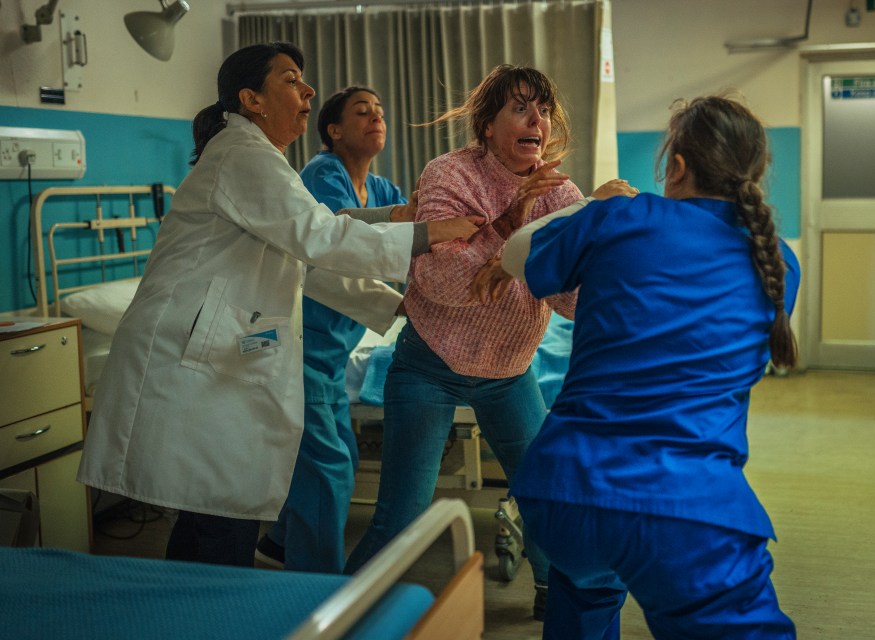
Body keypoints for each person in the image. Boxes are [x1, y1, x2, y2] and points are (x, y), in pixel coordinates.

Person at [76, 42, 480, 568]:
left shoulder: (262, 161)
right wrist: (427, 234)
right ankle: (234, 613)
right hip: (192, 363)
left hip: (224, 359)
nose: (308, 89)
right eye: (291, 79)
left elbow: (311, 238)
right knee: (218, 515)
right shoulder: (242, 156)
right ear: (253, 99)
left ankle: (201, 609)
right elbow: (317, 236)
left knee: (216, 515)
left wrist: (397, 231)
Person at [471, 95, 800, 639]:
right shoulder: (777, 262)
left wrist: (587, 204)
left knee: (587, 595)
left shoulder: (619, 217)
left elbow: (514, 257)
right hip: (684, 508)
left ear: (676, 166)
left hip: (566, 494)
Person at [343, 63, 636, 619]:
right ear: (487, 125)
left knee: (545, 495)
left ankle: (557, 596)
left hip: (507, 369)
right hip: (429, 360)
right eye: (521, 107)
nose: (537, 120)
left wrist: (598, 235)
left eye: (543, 110)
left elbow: (568, 300)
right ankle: (333, 607)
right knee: (401, 514)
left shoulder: (560, 192)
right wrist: (512, 222)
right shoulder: (449, 175)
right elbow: (445, 283)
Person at [255, 86, 414, 573]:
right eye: (362, 112)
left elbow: (417, 229)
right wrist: (404, 305)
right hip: (299, 346)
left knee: (335, 452)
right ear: (334, 130)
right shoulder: (323, 174)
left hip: (329, 354)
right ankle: (318, 589)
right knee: (330, 470)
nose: (376, 118)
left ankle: (283, 540)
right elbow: (326, 262)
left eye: (381, 111)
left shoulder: (381, 189)